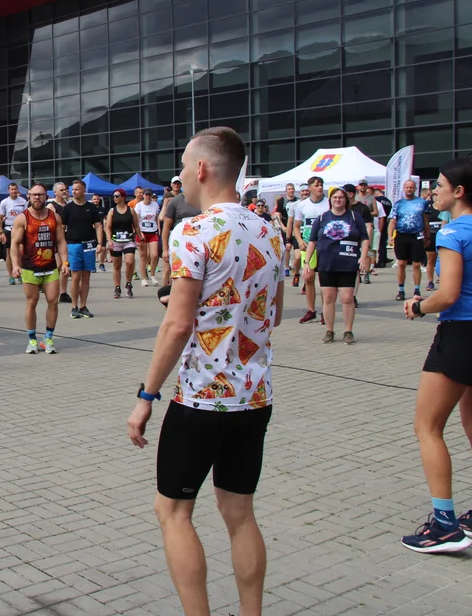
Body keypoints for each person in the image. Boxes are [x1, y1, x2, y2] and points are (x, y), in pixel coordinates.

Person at [127, 127, 284, 616]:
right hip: (254, 396)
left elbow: (177, 326)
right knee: (239, 513)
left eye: (182, 164)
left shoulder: (191, 231)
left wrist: (145, 398)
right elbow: (273, 314)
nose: (179, 175)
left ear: (201, 169)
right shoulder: (270, 230)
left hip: (200, 400)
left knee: (172, 511)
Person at [400, 155, 472, 554]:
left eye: (438, 185)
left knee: (427, 427)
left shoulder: (452, 233)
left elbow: (449, 294)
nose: (431, 191)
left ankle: (443, 525)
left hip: (461, 334)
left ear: (459, 192)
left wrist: (419, 305)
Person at [303, 187, 370, 345]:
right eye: (335, 198)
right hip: (327, 263)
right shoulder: (322, 218)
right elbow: (312, 241)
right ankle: (329, 330)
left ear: (346, 200)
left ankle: (348, 330)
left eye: (341, 197)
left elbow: (365, 238)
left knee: (347, 298)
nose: (338, 200)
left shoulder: (354, 217)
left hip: (347, 263)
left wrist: (363, 256)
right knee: (328, 298)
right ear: (330, 200)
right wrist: (307, 262)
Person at [10, 183, 69, 354]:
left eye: (40, 194)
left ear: (46, 196)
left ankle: (48, 338)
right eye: (34, 195)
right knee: (32, 302)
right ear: (29, 196)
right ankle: (32, 340)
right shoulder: (22, 218)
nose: (37, 197)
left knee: (53, 300)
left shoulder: (54, 217)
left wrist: (65, 262)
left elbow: (61, 241)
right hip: (30, 268)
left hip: (50, 267)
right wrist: (15, 266)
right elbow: (14, 244)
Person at [61, 180, 104, 318]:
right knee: (75, 276)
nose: (74, 192)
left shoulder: (91, 207)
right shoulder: (68, 208)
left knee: (86, 276)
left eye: (77, 189)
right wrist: (62, 244)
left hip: (89, 245)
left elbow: (98, 226)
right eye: (73, 189)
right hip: (73, 244)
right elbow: (62, 228)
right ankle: (74, 306)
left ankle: (83, 306)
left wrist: (100, 243)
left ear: (83, 191)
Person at [290, 176, 330, 324]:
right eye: (316, 185)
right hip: (307, 245)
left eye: (321, 185)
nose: (320, 187)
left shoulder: (328, 204)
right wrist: (299, 241)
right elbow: (296, 226)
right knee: (308, 277)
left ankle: (326, 311)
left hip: (325, 245)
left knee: (324, 279)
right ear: (310, 188)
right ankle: (311, 310)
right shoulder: (302, 205)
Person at [390, 179, 432, 302]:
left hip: (416, 235)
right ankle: (401, 290)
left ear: (415, 189)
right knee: (401, 264)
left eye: (411, 187)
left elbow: (425, 221)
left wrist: (427, 236)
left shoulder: (422, 203)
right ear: (404, 188)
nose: (409, 189)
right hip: (401, 235)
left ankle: (417, 289)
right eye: (407, 187)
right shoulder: (398, 204)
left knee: (416, 264)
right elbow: (392, 221)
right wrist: (390, 236)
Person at [160, 177, 201, 287]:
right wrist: (165, 249)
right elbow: (166, 228)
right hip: (178, 244)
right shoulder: (175, 201)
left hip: (197, 245)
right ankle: (165, 297)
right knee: (169, 270)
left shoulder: (201, 200)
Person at [105, 188, 141, 298]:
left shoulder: (131, 211)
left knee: (130, 262)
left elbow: (136, 226)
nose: (115, 198)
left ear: (123, 197)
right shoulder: (112, 211)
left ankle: (128, 283)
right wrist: (109, 240)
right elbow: (108, 227)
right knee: (117, 265)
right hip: (116, 241)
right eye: (114, 196)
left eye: (117, 196)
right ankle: (117, 287)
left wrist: (140, 239)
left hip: (128, 240)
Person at [0, 182, 27, 285]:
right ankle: (11, 275)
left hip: (21, 230)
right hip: (9, 229)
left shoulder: (23, 201)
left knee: (21, 252)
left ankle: (20, 273)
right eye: (12, 189)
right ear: (8, 190)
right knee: (9, 252)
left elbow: (27, 217)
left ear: (17, 190)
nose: (13, 191)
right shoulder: (4, 202)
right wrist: (0, 233)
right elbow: (0, 218)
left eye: (15, 189)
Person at [134, 189, 161, 286]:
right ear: (143, 195)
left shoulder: (155, 205)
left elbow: (157, 217)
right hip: (142, 232)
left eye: (150, 195)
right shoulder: (139, 206)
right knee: (143, 256)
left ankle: (152, 274)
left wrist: (159, 228)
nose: (148, 197)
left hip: (152, 232)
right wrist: (139, 233)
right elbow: (136, 220)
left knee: (154, 255)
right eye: (146, 195)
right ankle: (144, 278)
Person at [50, 182, 71, 303]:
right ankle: (52, 288)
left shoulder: (69, 205)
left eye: (66, 189)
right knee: (58, 265)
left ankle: (63, 292)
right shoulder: (51, 206)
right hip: (56, 239)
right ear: (55, 192)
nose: (64, 191)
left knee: (65, 265)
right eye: (62, 190)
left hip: (69, 238)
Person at [354, 179, 380, 267]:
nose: (363, 187)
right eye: (361, 185)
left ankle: (369, 270)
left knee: (368, 248)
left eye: (364, 185)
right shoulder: (355, 198)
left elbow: (376, 212)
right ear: (358, 186)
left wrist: (366, 213)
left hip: (368, 224)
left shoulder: (371, 198)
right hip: (356, 225)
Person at [374, 187, 394, 269]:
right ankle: (383, 259)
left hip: (377, 222)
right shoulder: (388, 201)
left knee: (376, 243)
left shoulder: (376, 200)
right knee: (383, 243)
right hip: (386, 221)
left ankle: (378, 261)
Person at [91, 194, 110, 272]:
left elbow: (107, 219)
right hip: (91, 231)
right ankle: (92, 266)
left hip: (101, 230)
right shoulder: (89, 209)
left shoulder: (103, 209)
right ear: (92, 200)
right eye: (94, 199)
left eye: (97, 199)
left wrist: (106, 226)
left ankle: (101, 264)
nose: (96, 200)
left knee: (103, 248)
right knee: (92, 249)